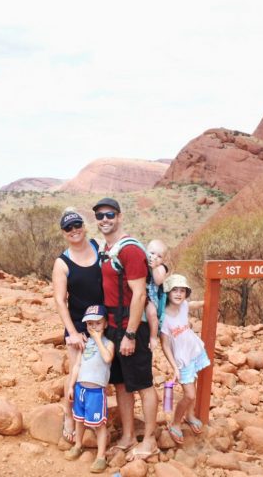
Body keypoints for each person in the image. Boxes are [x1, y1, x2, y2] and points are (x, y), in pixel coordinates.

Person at [93, 197, 159, 461]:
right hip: (113, 327)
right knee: (121, 385)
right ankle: (129, 435)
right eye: (99, 216)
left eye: (109, 215)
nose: (105, 220)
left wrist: (130, 334)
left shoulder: (129, 250)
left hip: (131, 328)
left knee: (143, 385)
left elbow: (140, 294)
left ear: (119, 217)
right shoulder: (107, 249)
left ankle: (151, 439)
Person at [52, 208, 103, 444]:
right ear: (64, 233)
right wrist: (72, 333)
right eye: (68, 228)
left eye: (77, 225)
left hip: (103, 324)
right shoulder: (62, 263)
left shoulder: (97, 246)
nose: (74, 231)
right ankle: (69, 417)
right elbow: (60, 300)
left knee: (101, 373)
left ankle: (95, 417)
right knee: (76, 372)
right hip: (78, 327)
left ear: (83, 226)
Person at [158, 274, 210, 445]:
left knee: (193, 384)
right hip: (181, 360)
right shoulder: (164, 317)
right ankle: (175, 422)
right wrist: (174, 367)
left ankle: (189, 415)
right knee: (189, 394)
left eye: (182, 291)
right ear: (168, 292)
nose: (179, 294)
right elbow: (165, 345)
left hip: (193, 351)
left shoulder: (184, 306)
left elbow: (192, 305)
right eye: (175, 290)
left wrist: (207, 301)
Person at [64, 305, 115, 474]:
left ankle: (101, 456)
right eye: (90, 324)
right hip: (81, 389)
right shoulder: (84, 343)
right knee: (79, 420)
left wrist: (98, 339)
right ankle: (78, 445)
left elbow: (107, 358)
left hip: (96, 392)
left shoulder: (109, 344)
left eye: (98, 323)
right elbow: (77, 365)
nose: (93, 327)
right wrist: (71, 386)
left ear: (105, 324)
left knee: (99, 424)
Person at [145, 239, 169, 351]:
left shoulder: (161, 268)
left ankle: (153, 337)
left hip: (151, 297)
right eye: (152, 253)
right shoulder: (143, 262)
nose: (154, 257)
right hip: (140, 293)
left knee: (152, 314)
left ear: (163, 260)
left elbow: (158, 281)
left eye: (159, 256)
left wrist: (154, 268)